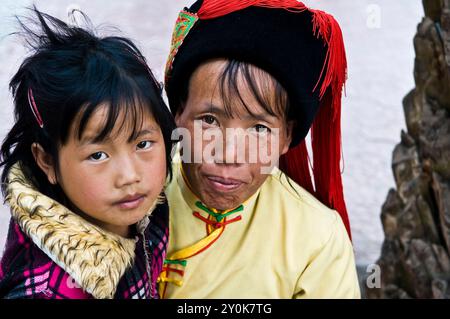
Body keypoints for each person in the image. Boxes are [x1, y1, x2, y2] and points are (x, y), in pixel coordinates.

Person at [158, 0, 361, 298]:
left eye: (259, 129)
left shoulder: (317, 240)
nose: (229, 154)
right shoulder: (134, 195)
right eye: (209, 120)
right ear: (178, 113)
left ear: (287, 136)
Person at [0, 8, 175, 299]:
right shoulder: (46, 291)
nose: (130, 176)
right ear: (47, 161)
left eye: (143, 144)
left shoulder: (148, 211)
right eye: (98, 155)